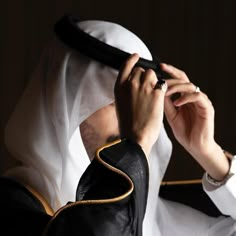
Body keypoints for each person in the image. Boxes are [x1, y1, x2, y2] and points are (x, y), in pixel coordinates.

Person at [1, 16, 236, 236]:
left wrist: (208, 151)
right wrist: (135, 145)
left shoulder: (153, 216)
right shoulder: (14, 207)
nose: (134, 117)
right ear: (67, 103)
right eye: (118, 102)